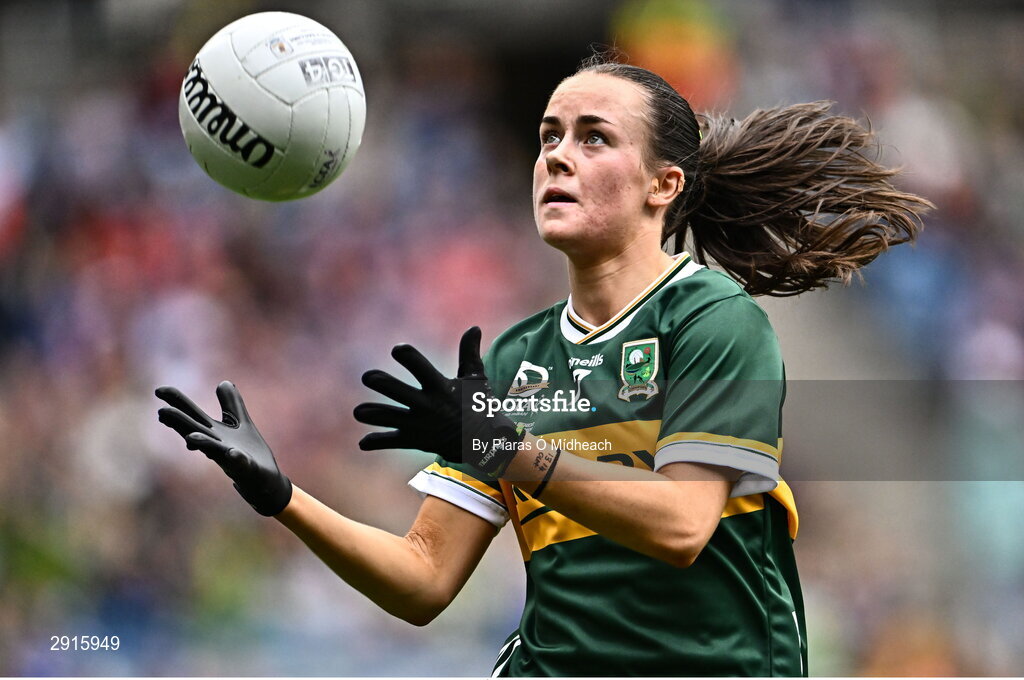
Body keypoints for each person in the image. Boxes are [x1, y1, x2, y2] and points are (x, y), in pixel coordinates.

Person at [156, 55, 931, 676]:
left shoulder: (713, 320)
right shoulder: (516, 354)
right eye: (548, 135)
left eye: (594, 137)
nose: (558, 154)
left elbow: (684, 524)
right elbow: (425, 577)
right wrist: (285, 497)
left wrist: (505, 448)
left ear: (665, 185)